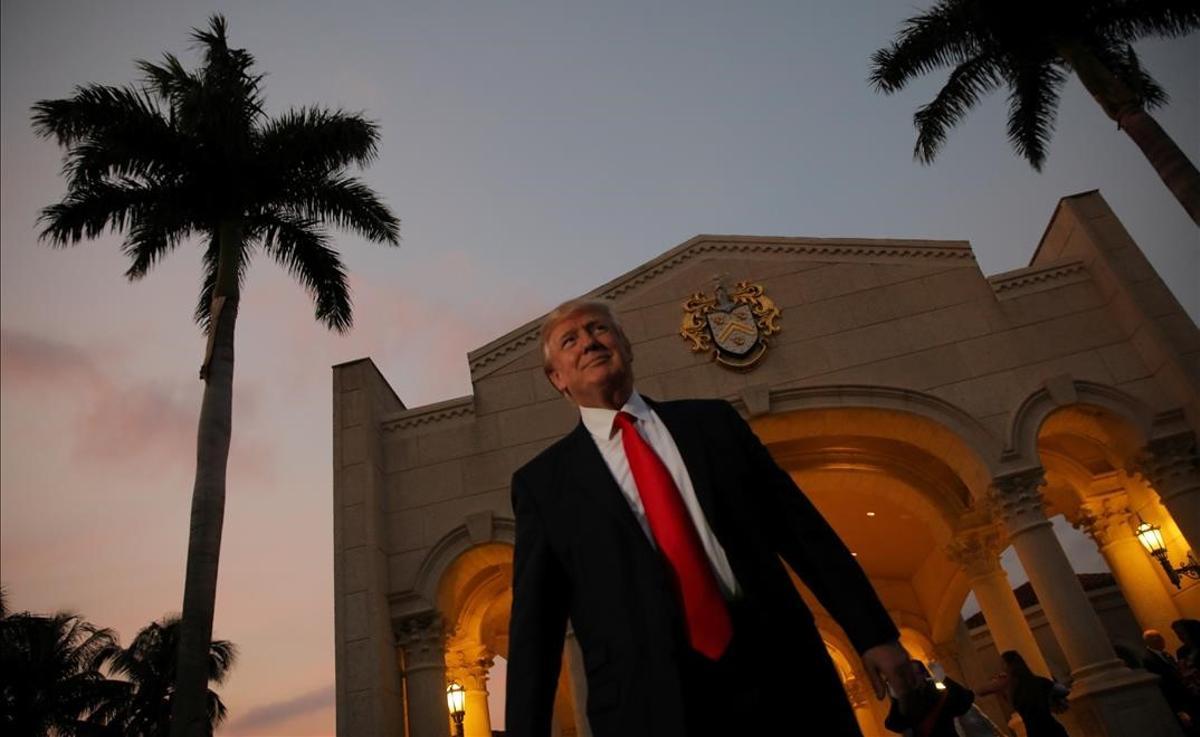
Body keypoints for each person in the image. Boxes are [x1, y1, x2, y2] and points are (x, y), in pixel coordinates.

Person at [505, 299, 915, 737]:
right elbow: (536, 626)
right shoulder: (544, 485)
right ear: (558, 379)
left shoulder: (713, 424)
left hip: (779, 667)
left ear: (625, 345)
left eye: (599, 329)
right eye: (571, 340)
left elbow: (802, 531)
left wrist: (875, 634)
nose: (589, 342)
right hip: (651, 704)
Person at [976, 651, 1069, 737]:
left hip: (1035, 732)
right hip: (1053, 729)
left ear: (1007, 665)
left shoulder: (1008, 684)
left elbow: (980, 691)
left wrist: (997, 681)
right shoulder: (1040, 681)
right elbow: (1064, 692)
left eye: (1002, 663)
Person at [883, 661, 974, 737]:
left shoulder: (937, 690)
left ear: (924, 674)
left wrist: (945, 680)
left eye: (915, 674)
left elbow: (964, 703)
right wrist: (896, 701)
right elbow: (894, 725)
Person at [1143, 628, 1198, 734]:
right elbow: (1164, 686)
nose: (1162, 640)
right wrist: (1178, 710)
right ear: (1151, 641)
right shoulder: (1149, 660)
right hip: (1177, 702)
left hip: (1187, 698)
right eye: (1158, 638)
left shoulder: (1166, 655)